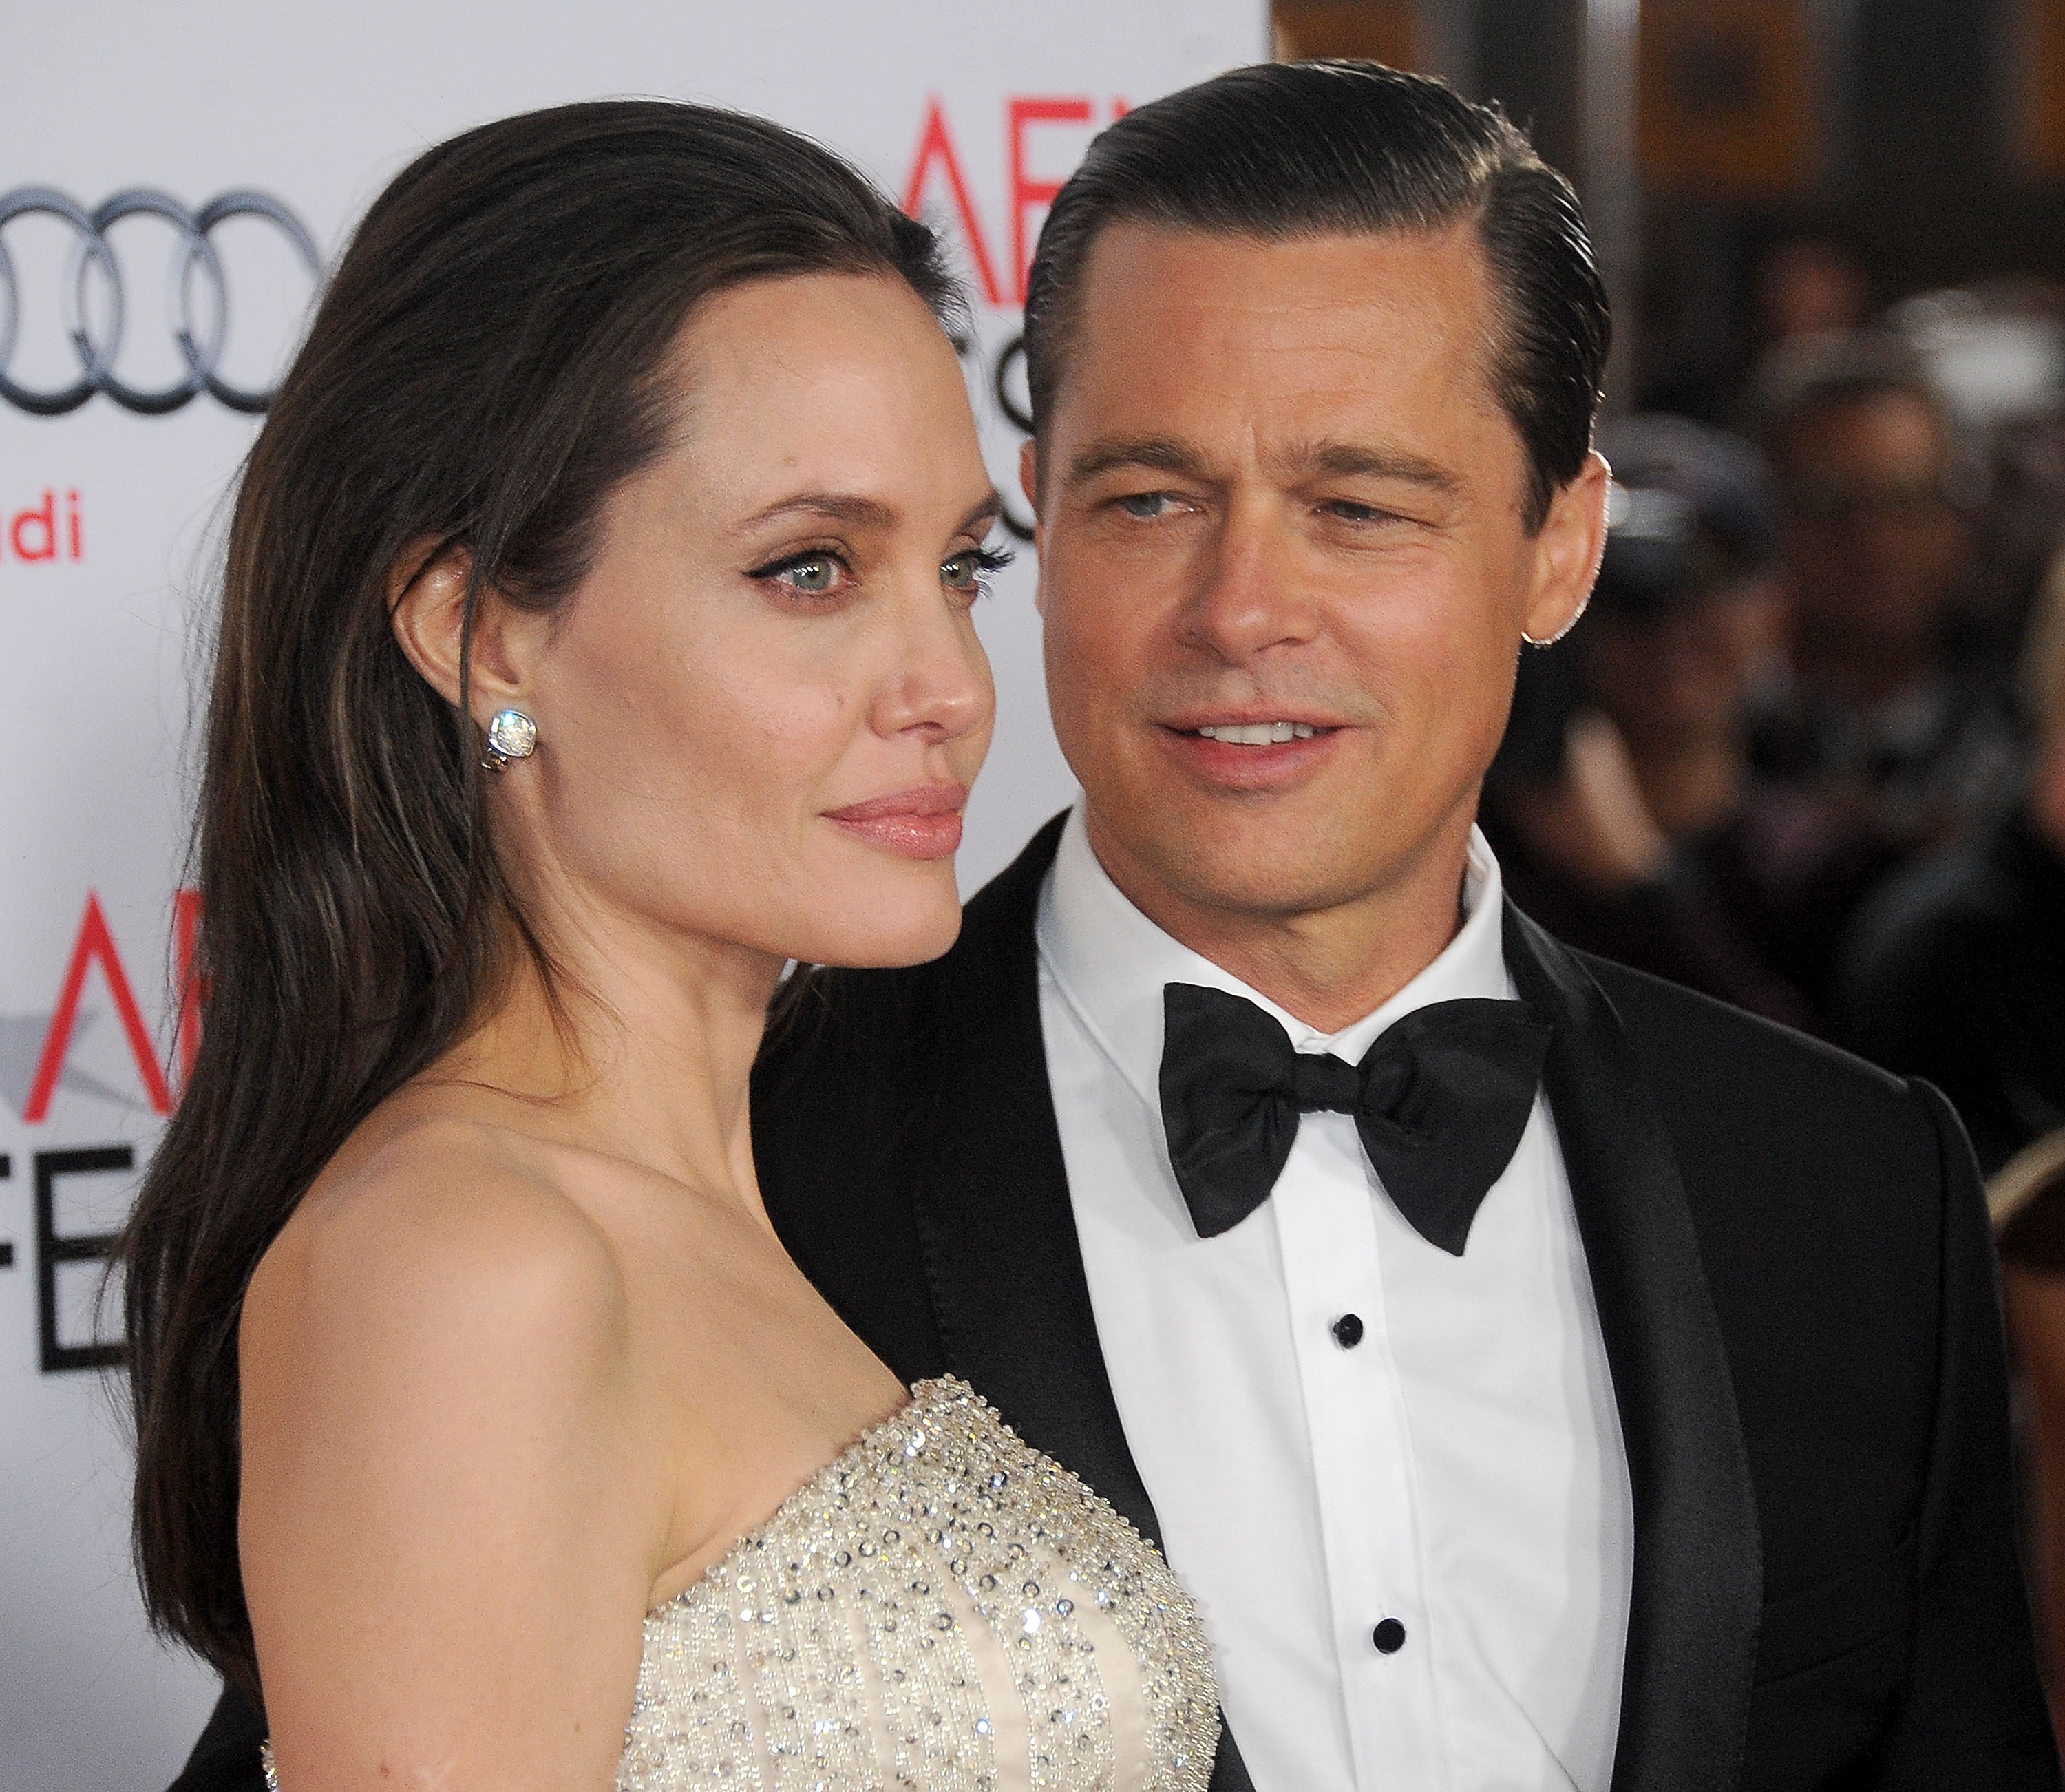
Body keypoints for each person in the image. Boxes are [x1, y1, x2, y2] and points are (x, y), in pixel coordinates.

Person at [179, 61, 2056, 1792]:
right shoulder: (687, 1180)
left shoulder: (1853, 1199)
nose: (1245, 610)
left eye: (1359, 504)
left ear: (1563, 547)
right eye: (1149, 497)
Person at [127, 102, 1219, 1792]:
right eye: (809, 568)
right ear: (481, 630)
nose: (943, 685)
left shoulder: (742, 1206)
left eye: (957, 567)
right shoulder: (466, 1264)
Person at [1483, 414, 1820, 1031]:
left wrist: (1643, 887)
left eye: (1708, 582)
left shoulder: (1822, 870)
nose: (1669, 628)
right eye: (1627, 590)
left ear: (1775, 607)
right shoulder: (1478, 858)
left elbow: (1818, 1103)